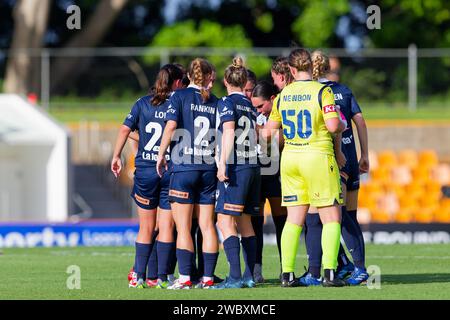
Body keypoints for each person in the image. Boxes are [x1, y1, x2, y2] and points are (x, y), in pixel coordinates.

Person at [264, 48, 347, 287]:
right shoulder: (323, 91)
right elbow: (332, 126)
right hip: (317, 156)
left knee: (293, 219)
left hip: (291, 158)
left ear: (290, 70)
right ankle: (330, 273)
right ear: (312, 66)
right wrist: (342, 123)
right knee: (331, 217)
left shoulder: (283, 95)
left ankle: (287, 274)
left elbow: (268, 133)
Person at [111, 64, 184, 288]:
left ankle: (139, 277)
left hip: (146, 170)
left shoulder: (142, 103)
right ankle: (162, 277)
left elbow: (125, 129)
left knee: (145, 227)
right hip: (170, 168)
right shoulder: (179, 103)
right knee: (165, 227)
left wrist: (116, 157)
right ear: (178, 82)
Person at [302, 50, 369, 286]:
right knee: (346, 216)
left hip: (329, 158)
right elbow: (359, 120)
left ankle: (337, 269)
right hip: (350, 156)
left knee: (323, 217)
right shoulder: (343, 90)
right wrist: (365, 154)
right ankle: (348, 266)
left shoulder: (313, 92)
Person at [157, 58, 219, 290]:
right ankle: (208, 278)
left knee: (183, 228)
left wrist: (161, 154)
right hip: (208, 169)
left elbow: (170, 127)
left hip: (184, 167)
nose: (213, 84)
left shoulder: (179, 96)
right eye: (211, 79)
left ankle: (184, 279)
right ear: (206, 77)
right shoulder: (216, 101)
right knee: (207, 225)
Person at [213, 57, 260, 289]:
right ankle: (250, 276)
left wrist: (222, 163)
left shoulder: (226, 102)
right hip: (253, 166)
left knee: (224, 221)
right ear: (244, 82)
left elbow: (229, 131)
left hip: (237, 166)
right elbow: (258, 135)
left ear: (225, 81)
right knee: (246, 223)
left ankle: (234, 277)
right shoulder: (250, 105)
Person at [251, 80, 287, 283]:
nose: (258, 110)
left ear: (271, 99)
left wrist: (263, 134)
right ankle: (256, 272)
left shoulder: (281, 112)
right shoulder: (253, 112)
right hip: (257, 171)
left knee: (282, 219)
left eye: (260, 106)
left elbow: (280, 140)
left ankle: (286, 269)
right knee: (256, 221)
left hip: (277, 170)